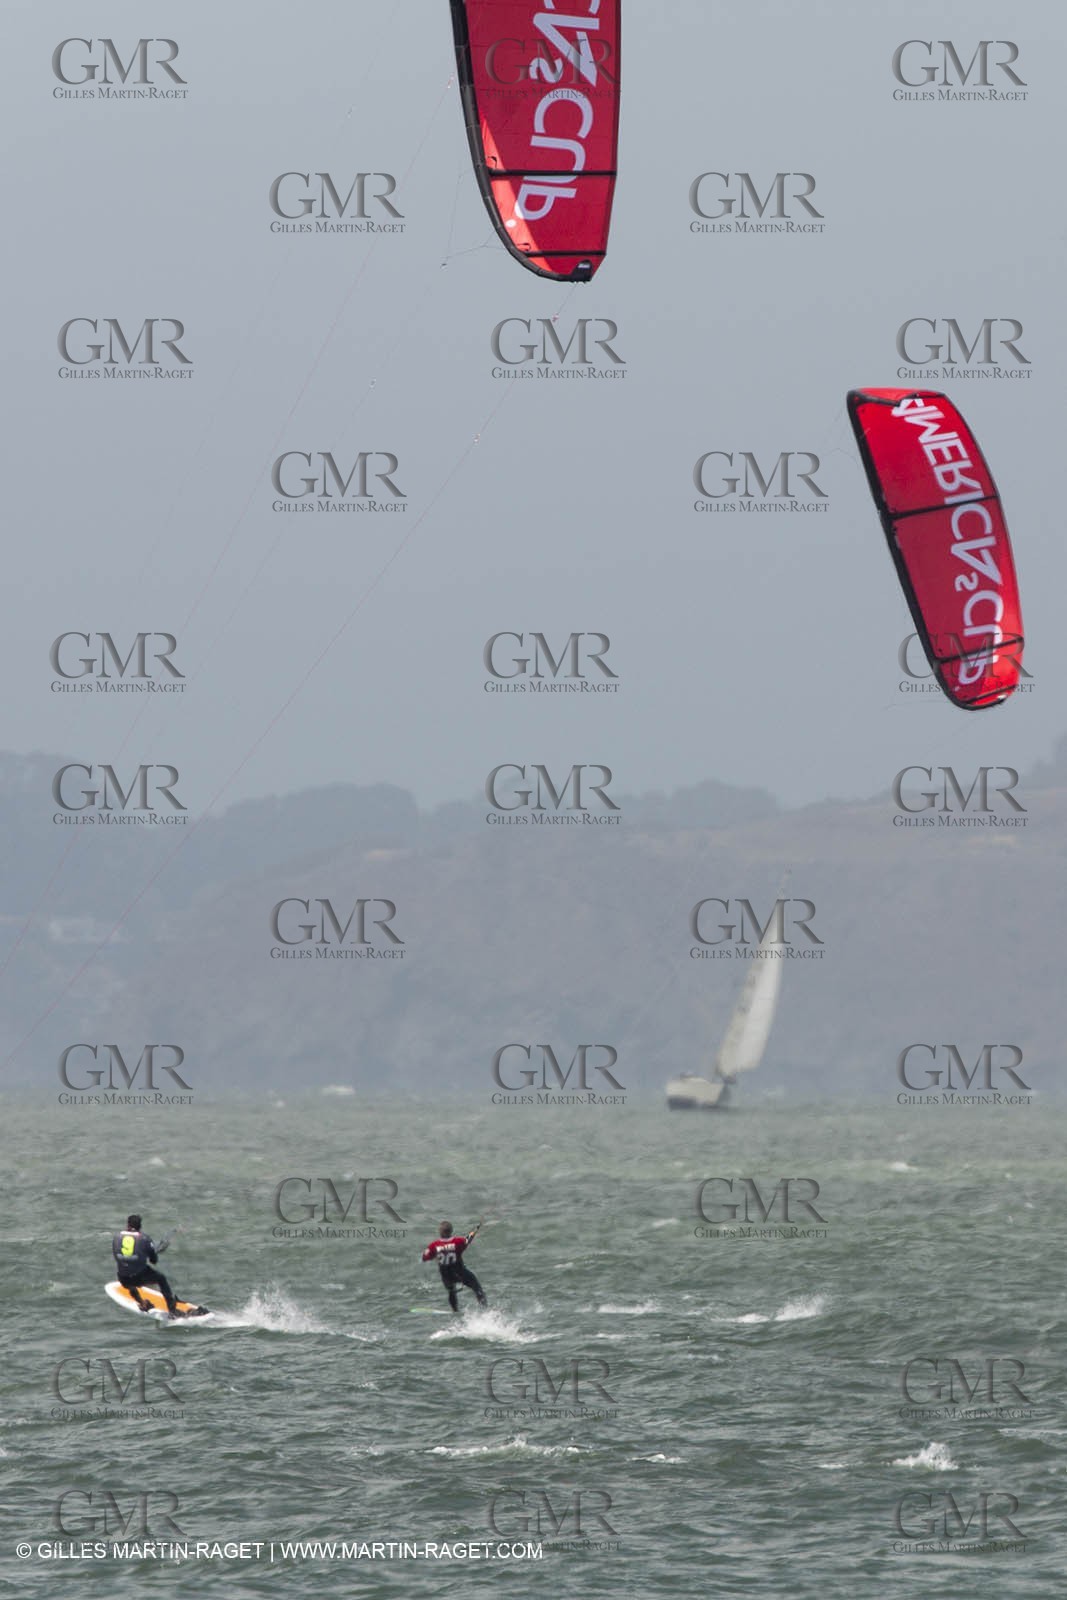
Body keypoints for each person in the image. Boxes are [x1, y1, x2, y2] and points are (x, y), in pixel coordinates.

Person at [111, 1214, 182, 1318]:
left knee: (129, 1277)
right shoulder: (144, 1238)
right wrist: (152, 1252)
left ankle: (142, 1303)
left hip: (123, 1278)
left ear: (127, 1225)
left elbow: (120, 1256)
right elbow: (153, 1261)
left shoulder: (117, 1237)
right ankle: (172, 1310)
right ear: (140, 1226)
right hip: (139, 1276)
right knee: (161, 1279)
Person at [421, 1221, 487, 1313]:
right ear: (451, 1231)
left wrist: (436, 1256)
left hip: (446, 1276)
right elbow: (468, 1239)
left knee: (451, 1291)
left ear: (440, 1232)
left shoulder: (434, 1245)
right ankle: (484, 1309)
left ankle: (455, 1310)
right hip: (460, 1273)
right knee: (477, 1287)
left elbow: (424, 1257)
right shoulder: (458, 1242)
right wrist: (475, 1230)